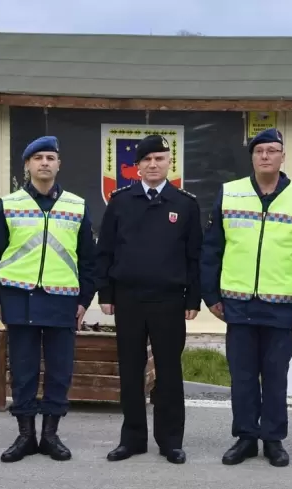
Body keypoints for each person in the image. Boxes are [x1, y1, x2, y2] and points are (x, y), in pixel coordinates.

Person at [201, 127, 292, 467]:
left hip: (282, 307)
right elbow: (212, 248)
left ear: (283, 156)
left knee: (275, 376)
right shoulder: (230, 194)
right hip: (237, 305)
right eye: (259, 151)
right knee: (241, 376)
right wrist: (210, 295)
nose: (265, 156)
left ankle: (273, 440)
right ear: (252, 157)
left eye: (272, 151)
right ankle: (245, 437)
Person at [0, 136, 96, 463]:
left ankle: (50, 435)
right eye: (37, 158)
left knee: (60, 371)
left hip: (63, 301)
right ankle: (25, 435)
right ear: (27, 165)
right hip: (19, 299)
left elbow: (89, 260)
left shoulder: (76, 205)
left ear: (59, 164)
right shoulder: (9, 204)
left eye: (50, 157)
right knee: (23, 370)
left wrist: (84, 300)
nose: (44, 162)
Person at [95, 134, 202, 465]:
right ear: (136, 166)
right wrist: (106, 293)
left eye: (159, 158)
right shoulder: (120, 201)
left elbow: (195, 256)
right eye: (147, 160)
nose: (153, 164)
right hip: (128, 299)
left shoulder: (184, 204)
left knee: (169, 373)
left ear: (169, 163)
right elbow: (106, 251)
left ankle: (170, 441)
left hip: (169, 300)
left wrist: (193, 299)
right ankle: (132, 439)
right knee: (130, 370)